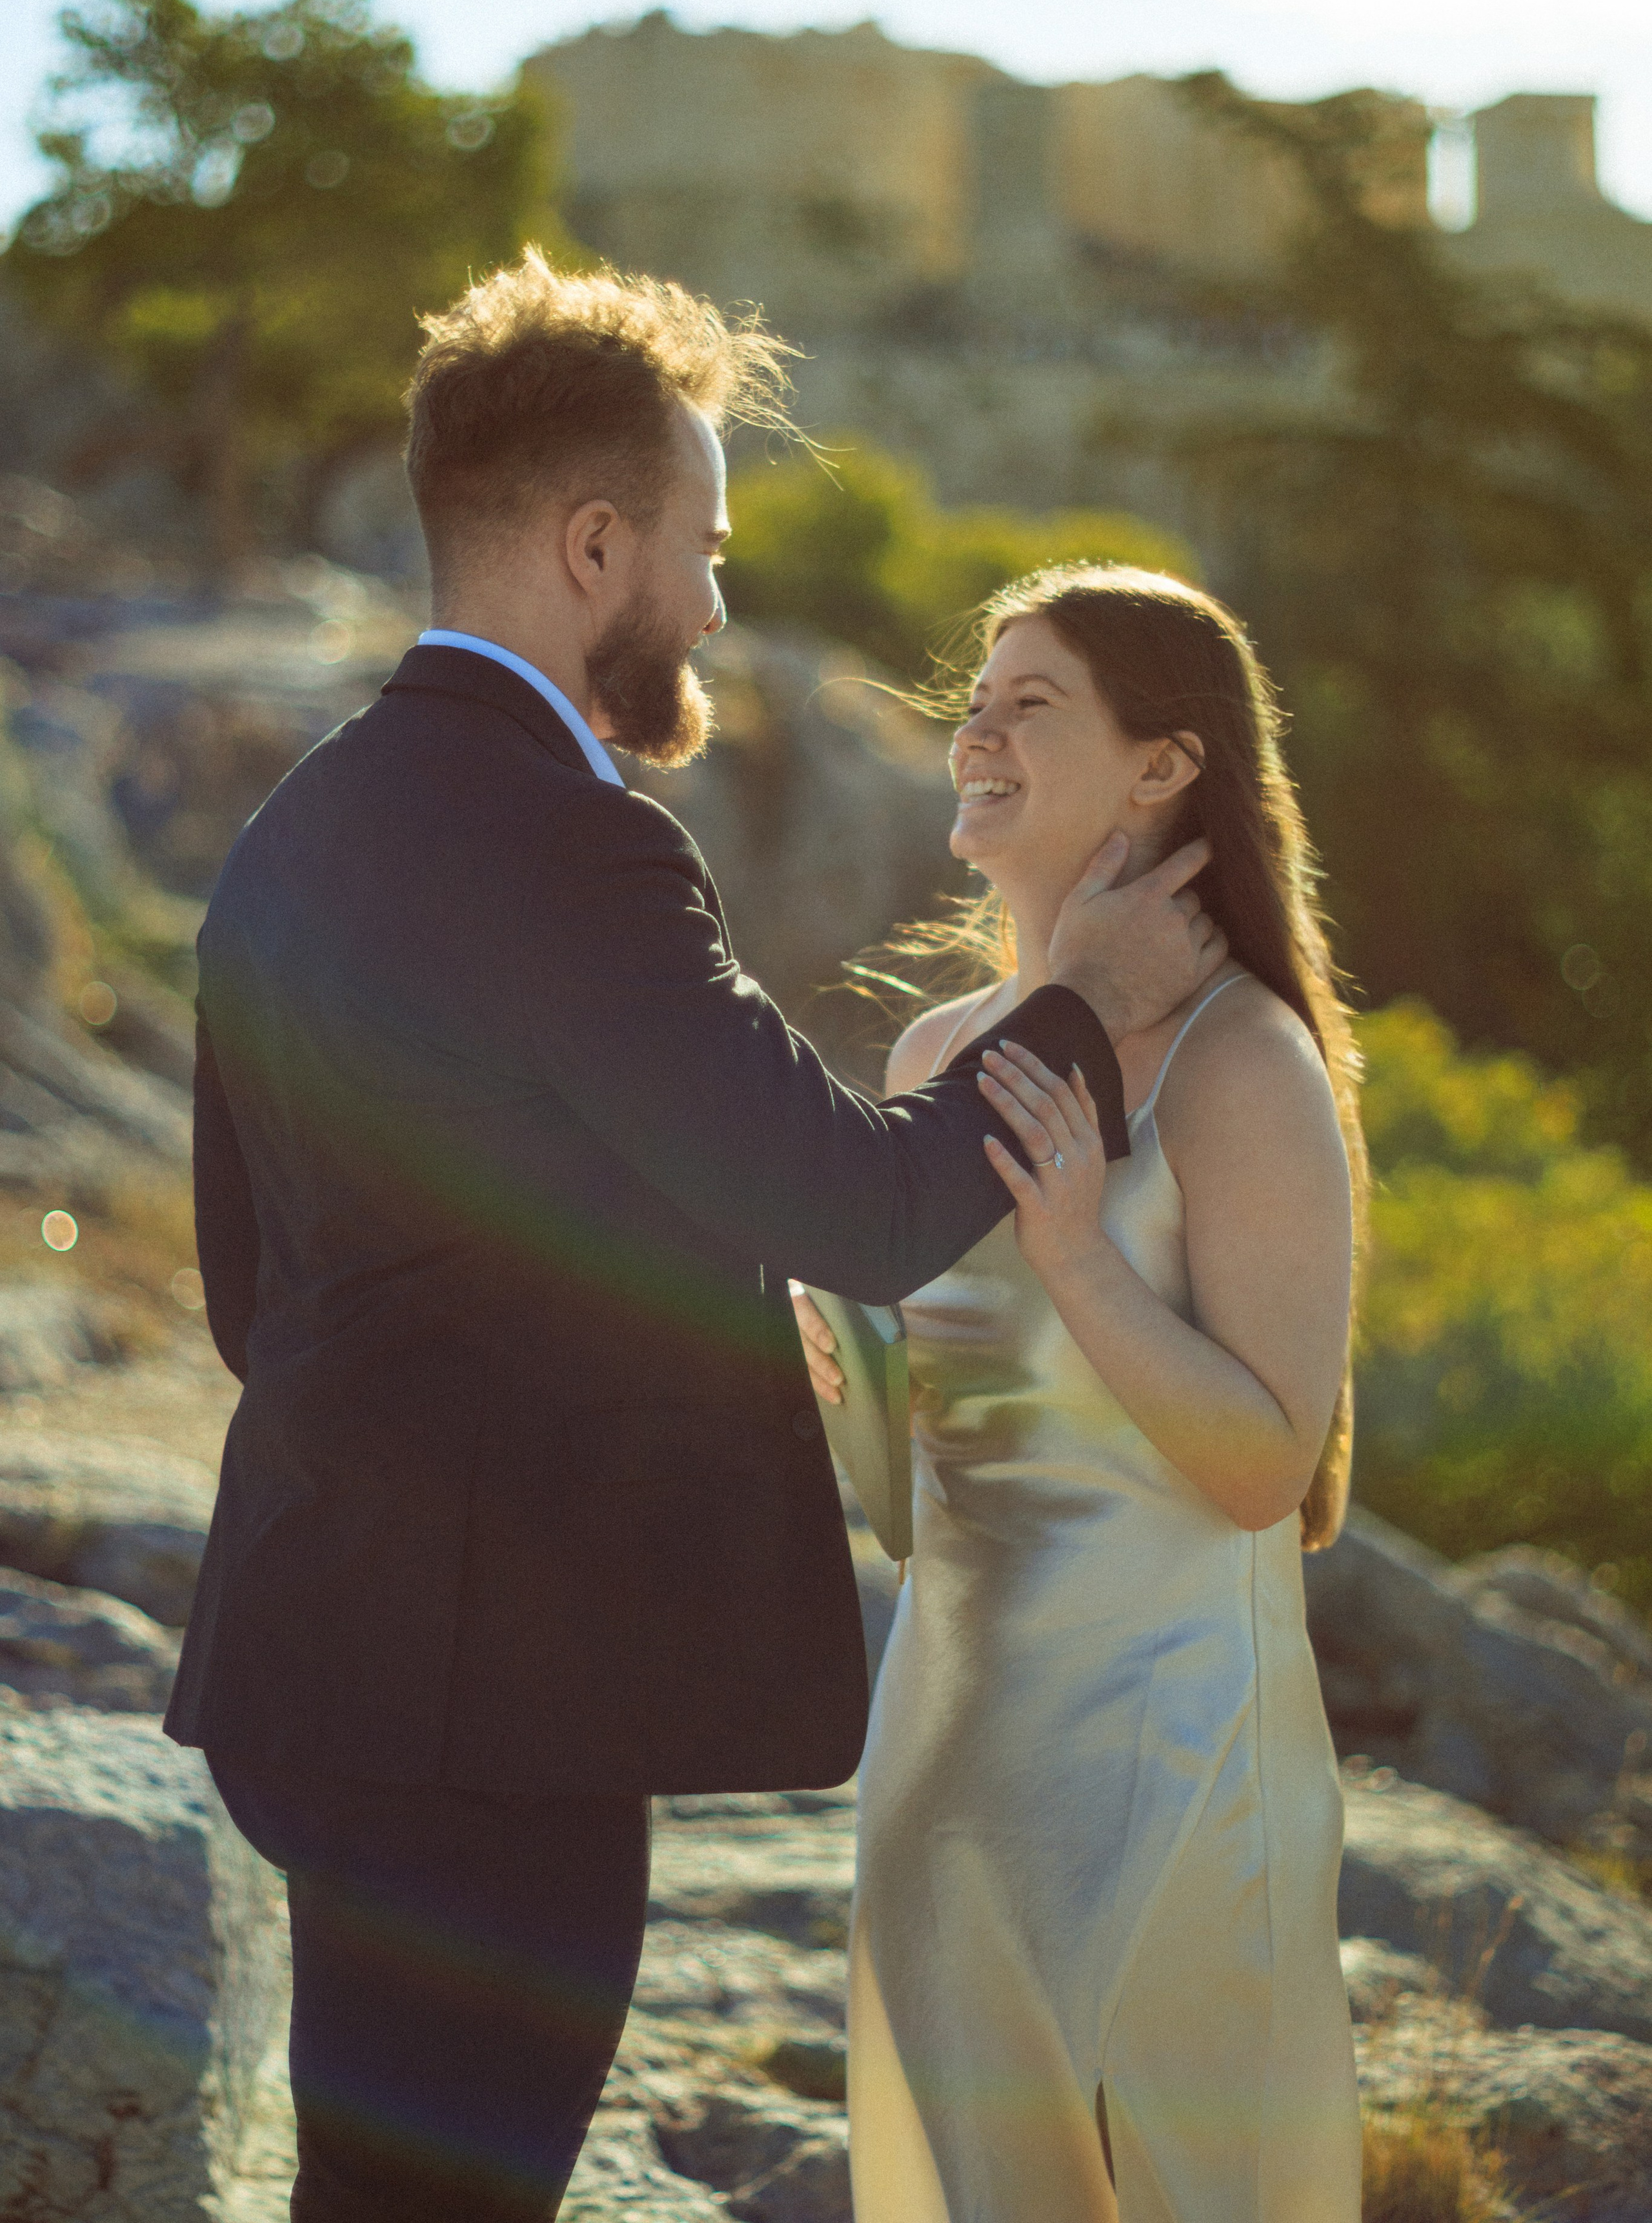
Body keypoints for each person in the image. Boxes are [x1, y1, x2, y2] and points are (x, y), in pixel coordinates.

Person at [165, 258, 1227, 2223]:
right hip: (489, 1709)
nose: (722, 605)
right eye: (703, 549)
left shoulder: (297, 825)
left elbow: (260, 1286)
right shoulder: (574, 845)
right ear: (594, 545)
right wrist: (1078, 995)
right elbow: (855, 1199)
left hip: (323, 1651)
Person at [794, 565, 1365, 2222]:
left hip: (1167, 1777)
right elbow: (914, 1492)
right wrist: (846, 1375)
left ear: (1160, 767)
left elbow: (1266, 1469)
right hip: (946, 1762)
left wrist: (1079, 1259)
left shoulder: (1238, 1064)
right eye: (975, 695)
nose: (971, 727)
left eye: (1027, 701)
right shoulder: (931, 1055)